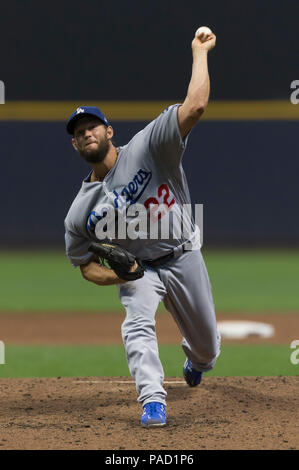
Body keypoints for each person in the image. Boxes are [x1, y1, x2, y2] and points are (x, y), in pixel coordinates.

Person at [64, 29, 220, 427]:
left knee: (208, 348)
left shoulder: (149, 146)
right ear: (76, 147)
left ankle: (196, 361)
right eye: (79, 133)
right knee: (136, 323)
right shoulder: (80, 212)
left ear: (109, 130)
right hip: (142, 270)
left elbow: (196, 106)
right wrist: (120, 274)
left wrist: (199, 52)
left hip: (183, 254)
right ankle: (152, 400)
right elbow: (84, 266)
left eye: (92, 127)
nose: (86, 134)